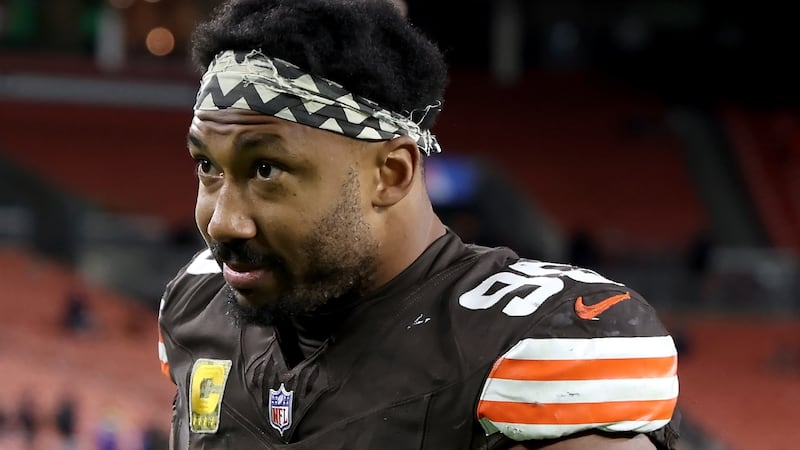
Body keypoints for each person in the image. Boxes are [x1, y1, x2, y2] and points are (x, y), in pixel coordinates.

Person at [157, 1, 681, 449]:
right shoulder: (198, 306)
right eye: (208, 166)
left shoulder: (527, 344)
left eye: (266, 170)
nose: (223, 223)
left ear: (391, 173)